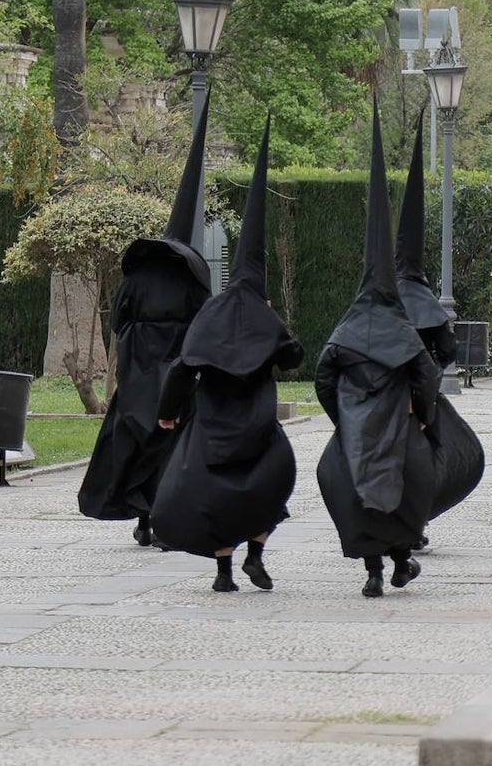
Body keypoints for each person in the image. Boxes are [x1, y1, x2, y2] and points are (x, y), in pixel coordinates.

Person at [153, 117, 304, 593]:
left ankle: (223, 574)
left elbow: (183, 366)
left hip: (212, 426)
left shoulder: (211, 313)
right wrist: (276, 326)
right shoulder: (264, 318)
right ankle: (255, 554)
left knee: (214, 495)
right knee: (273, 486)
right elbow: (294, 358)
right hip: (257, 427)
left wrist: (167, 414)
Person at [315, 104, 440, 598]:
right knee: (412, 483)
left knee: (345, 482)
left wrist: (340, 413)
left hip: (355, 424)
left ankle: (373, 569)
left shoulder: (346, 329)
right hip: (397, 422)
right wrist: (425, 417)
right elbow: (427, 376)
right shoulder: (403, 332)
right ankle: (402, 559)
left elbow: (324, 377)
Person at [78, 98, 212, 546]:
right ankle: (161, 516)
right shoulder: (191, 280)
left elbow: (118, 321)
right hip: (174, 374)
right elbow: (202, 328)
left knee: (134, 442)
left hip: (137, 373)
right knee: (170, 446)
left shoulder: (137, 276)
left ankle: (141, 517)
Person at [393, 113, 485, 543]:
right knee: (432, 458)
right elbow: (447, 347)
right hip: (420, 395)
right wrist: (430, 369)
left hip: (385, 393)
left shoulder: (380, 300)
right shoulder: (425, 303)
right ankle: (419, 522)